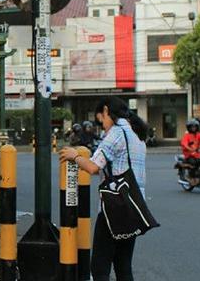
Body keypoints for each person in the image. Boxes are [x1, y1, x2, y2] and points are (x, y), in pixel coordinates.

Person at [59, 97, 148, 281]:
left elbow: (93, 167)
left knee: (100, 265)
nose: (102, 125)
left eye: (101, 119)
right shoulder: (137, 134)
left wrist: (74, 156)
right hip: (134, 206)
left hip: (114, 207)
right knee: (123, 265)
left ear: (107, 111)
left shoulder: (116, 133)